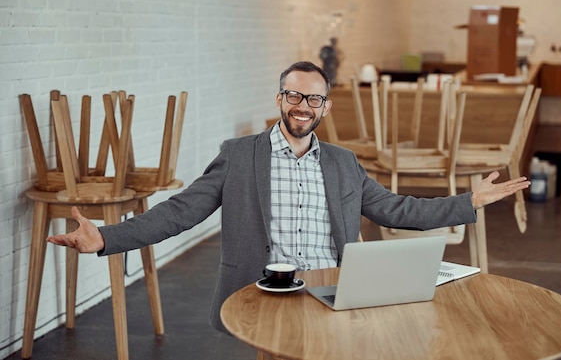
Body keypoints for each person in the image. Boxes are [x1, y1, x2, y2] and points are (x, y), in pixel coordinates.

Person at [47, 61, 530, 334]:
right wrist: (106, 238)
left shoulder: (343, 162)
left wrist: (470, 201)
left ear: (326, 106)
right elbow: (181, 211)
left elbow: (396, 208)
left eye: (313, 99)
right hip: (265, 288)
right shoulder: (239, 156)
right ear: (279, 99)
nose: (303, 106)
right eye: (294, 96)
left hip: (337, 285)